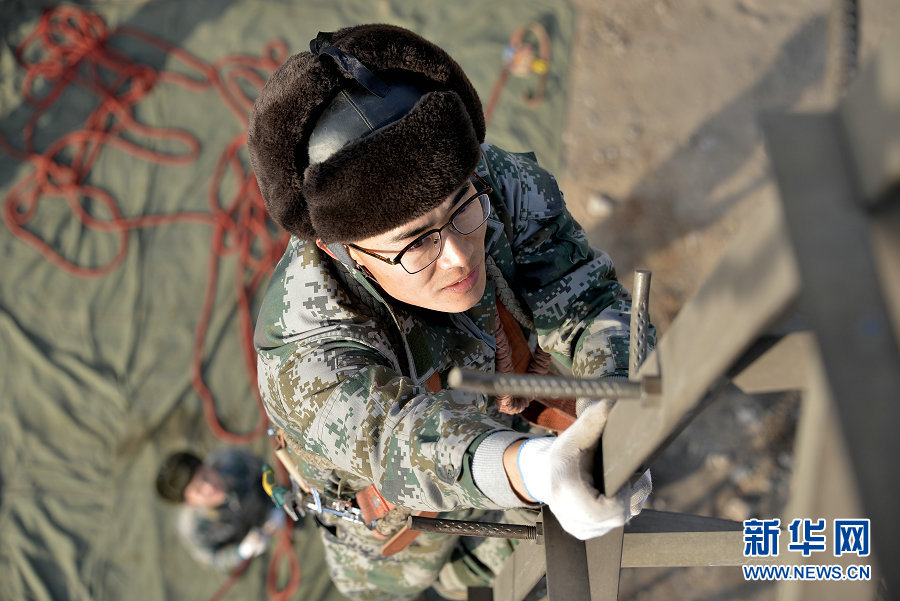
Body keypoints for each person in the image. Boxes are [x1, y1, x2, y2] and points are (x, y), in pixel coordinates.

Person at [248, 24, 652, 600]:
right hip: (397, 529)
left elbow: (581, 292)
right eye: (416, 243)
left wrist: (611, 406)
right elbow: (396, 439)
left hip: (513, 423)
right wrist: (534, 471)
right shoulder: (304, 345)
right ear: (349, 253)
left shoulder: (497, 182)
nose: (461, 254)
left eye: (462, 206)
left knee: (524, 553)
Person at [155, 448, 282, 572]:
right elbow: (212, 559)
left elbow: (266, 471)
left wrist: (275, 504)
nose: (210, 487)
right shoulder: (193, 529)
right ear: (189, 503)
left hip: (273, 509)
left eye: (205, 476)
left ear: (206, 465)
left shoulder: (233, 461)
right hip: (248, 548)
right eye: (198, 490)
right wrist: (241, 551)